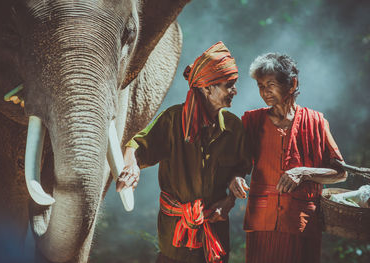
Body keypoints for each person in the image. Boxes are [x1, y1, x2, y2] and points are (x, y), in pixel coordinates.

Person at [116, 41, 251, 263]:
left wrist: (230, 198)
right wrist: (131, 165)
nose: (234, 91)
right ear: (207, 88)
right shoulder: (172, 120)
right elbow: (137, 146)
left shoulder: (234, 127)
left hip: (215, 232)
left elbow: (240, 167)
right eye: (229, 85)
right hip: (175, 238)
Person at [228, 53, 348, 263]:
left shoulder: (317, 122)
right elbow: (237, 164)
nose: (265, 91)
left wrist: (305, 172)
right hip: (262, 221)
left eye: (271, 84)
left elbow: (341, 172)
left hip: (301, 223)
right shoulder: (252, 120)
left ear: (292, 84)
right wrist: (236, 177)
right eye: (260, 85)